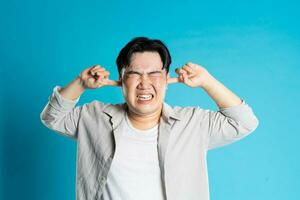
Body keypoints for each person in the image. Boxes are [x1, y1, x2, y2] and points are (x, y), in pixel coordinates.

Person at [40, 36, 259, 200]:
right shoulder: (94, 117)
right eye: (134, 74)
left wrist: (207, 81)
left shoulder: (192, 123)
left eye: (154, 74)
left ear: (166, 78)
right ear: (121, 80)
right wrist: (80, 83)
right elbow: (52, 117)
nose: (144, 83)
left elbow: (244, 122)